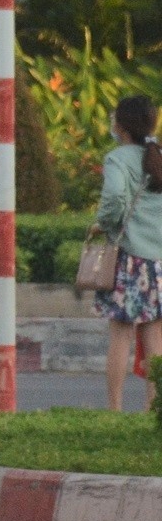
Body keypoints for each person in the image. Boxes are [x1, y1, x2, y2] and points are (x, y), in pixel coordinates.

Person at [94, 95, 162, 412]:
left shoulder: (118, 159)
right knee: (155, 341)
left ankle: (114, 409)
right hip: (159, 262)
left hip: (131, 259)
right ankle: (153, 409)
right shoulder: (158, 156)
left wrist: (105, 225)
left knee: (121, 337)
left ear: (121, 126)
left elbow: (115, 199)